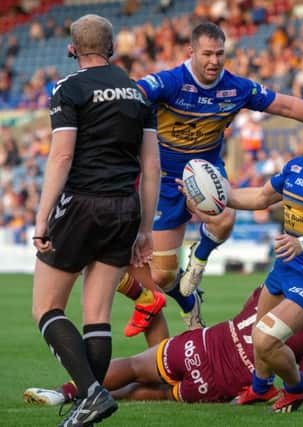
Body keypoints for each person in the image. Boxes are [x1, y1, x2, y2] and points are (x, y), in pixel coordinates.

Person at [134, 21, 303, 331]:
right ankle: (189, 301)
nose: (214, 61)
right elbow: (132, 95)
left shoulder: (236, 88)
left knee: (225, 218)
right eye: (207, 54)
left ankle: (199, 259)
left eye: (220, 54)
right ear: (190, 52)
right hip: (163, 180)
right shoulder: (169, 83)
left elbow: (284, 105)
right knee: (162, 276)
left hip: (205, 171)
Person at [186, 99, 303, 413]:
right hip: (286, 266)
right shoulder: (294, 167)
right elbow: (261, 196)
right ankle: (261, 388)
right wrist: (211, 197)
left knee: (266, 340)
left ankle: (296, 388)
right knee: (257, 331)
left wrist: (302, 243)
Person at [31, 14, 159, 427]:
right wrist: (145, 229)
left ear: (72, 49)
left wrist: (41, 217)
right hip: (125, 208)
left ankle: (91, 394)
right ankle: (90, 403)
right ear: (112, 49)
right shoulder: (139, 93)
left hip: (83, 203)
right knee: (97, 314)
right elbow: (152, 166)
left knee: (46, 307)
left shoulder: (68, 88)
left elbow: (62, 156)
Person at [23, 281, 303, 405]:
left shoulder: (273, 289)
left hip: (202, 344)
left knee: (133, 366)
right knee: (153, 392)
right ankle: (104, 399)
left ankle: (66, 392)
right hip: (219, 381)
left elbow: (251, 302)